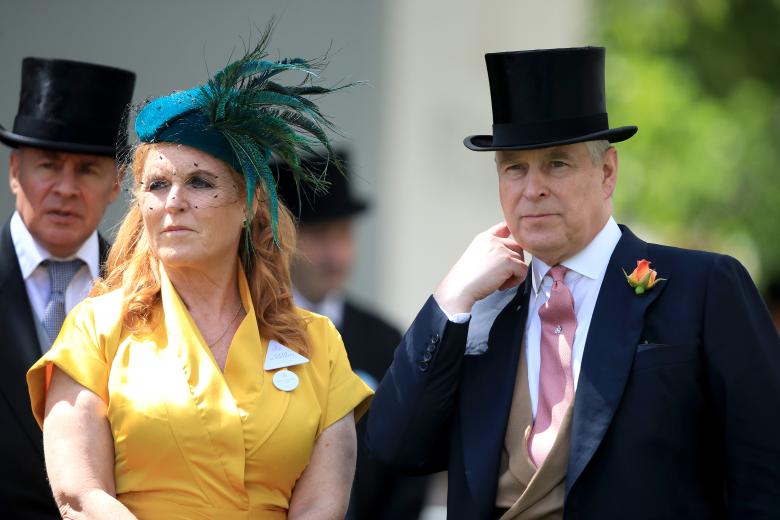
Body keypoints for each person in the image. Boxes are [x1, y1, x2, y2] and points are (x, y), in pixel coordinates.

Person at [366, 47, 780, 519]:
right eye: (514, 168)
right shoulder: (480, 310)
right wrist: (450, 299)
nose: (532, 187)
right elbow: (394, 445)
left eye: (557, 164)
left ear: (606, 173)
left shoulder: (704, 286)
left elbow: (766, 472)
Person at [26, 34, 372, 519]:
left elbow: (322, 507)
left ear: (251, 204)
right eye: (158, 185)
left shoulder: (318, 344)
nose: (173, 203)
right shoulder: (96, 330)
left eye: (200, 182)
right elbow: (80, 495)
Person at [0, 57, 135, 518]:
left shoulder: (150, 289)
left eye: (88, 170)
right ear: (15, 171)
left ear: (117, 182)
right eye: (49, 165)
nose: (65, 187)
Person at [277, 152, 429, 519]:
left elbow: (407, 457)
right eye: (318, 236)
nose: (336, 255)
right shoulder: (251, 330)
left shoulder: (384, 339)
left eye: (344, 234)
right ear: (282, 238)